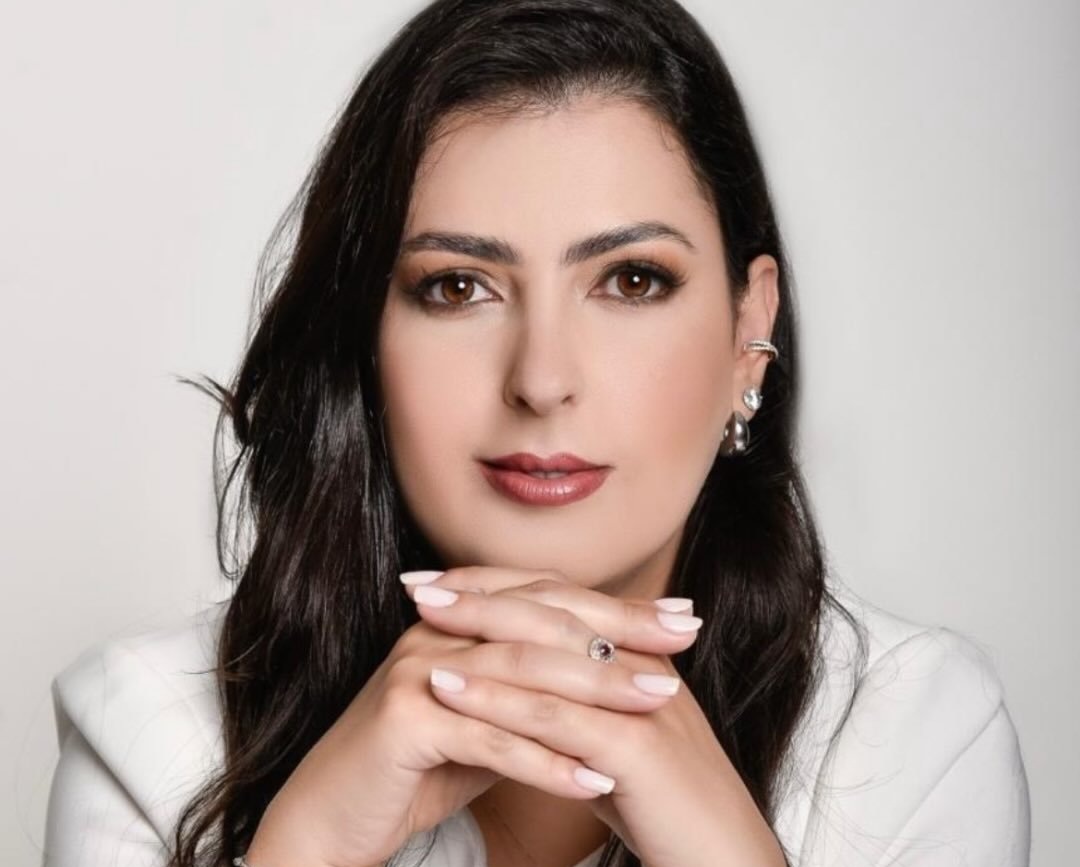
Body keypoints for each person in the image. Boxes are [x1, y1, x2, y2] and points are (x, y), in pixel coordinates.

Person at [41, 1, 1031, 865]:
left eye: (631, 280)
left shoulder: (910, 734)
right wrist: (307, 847)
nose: (542, 380)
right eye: (457, 287)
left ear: (748, 332)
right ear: (365, 338)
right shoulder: (153, 733)